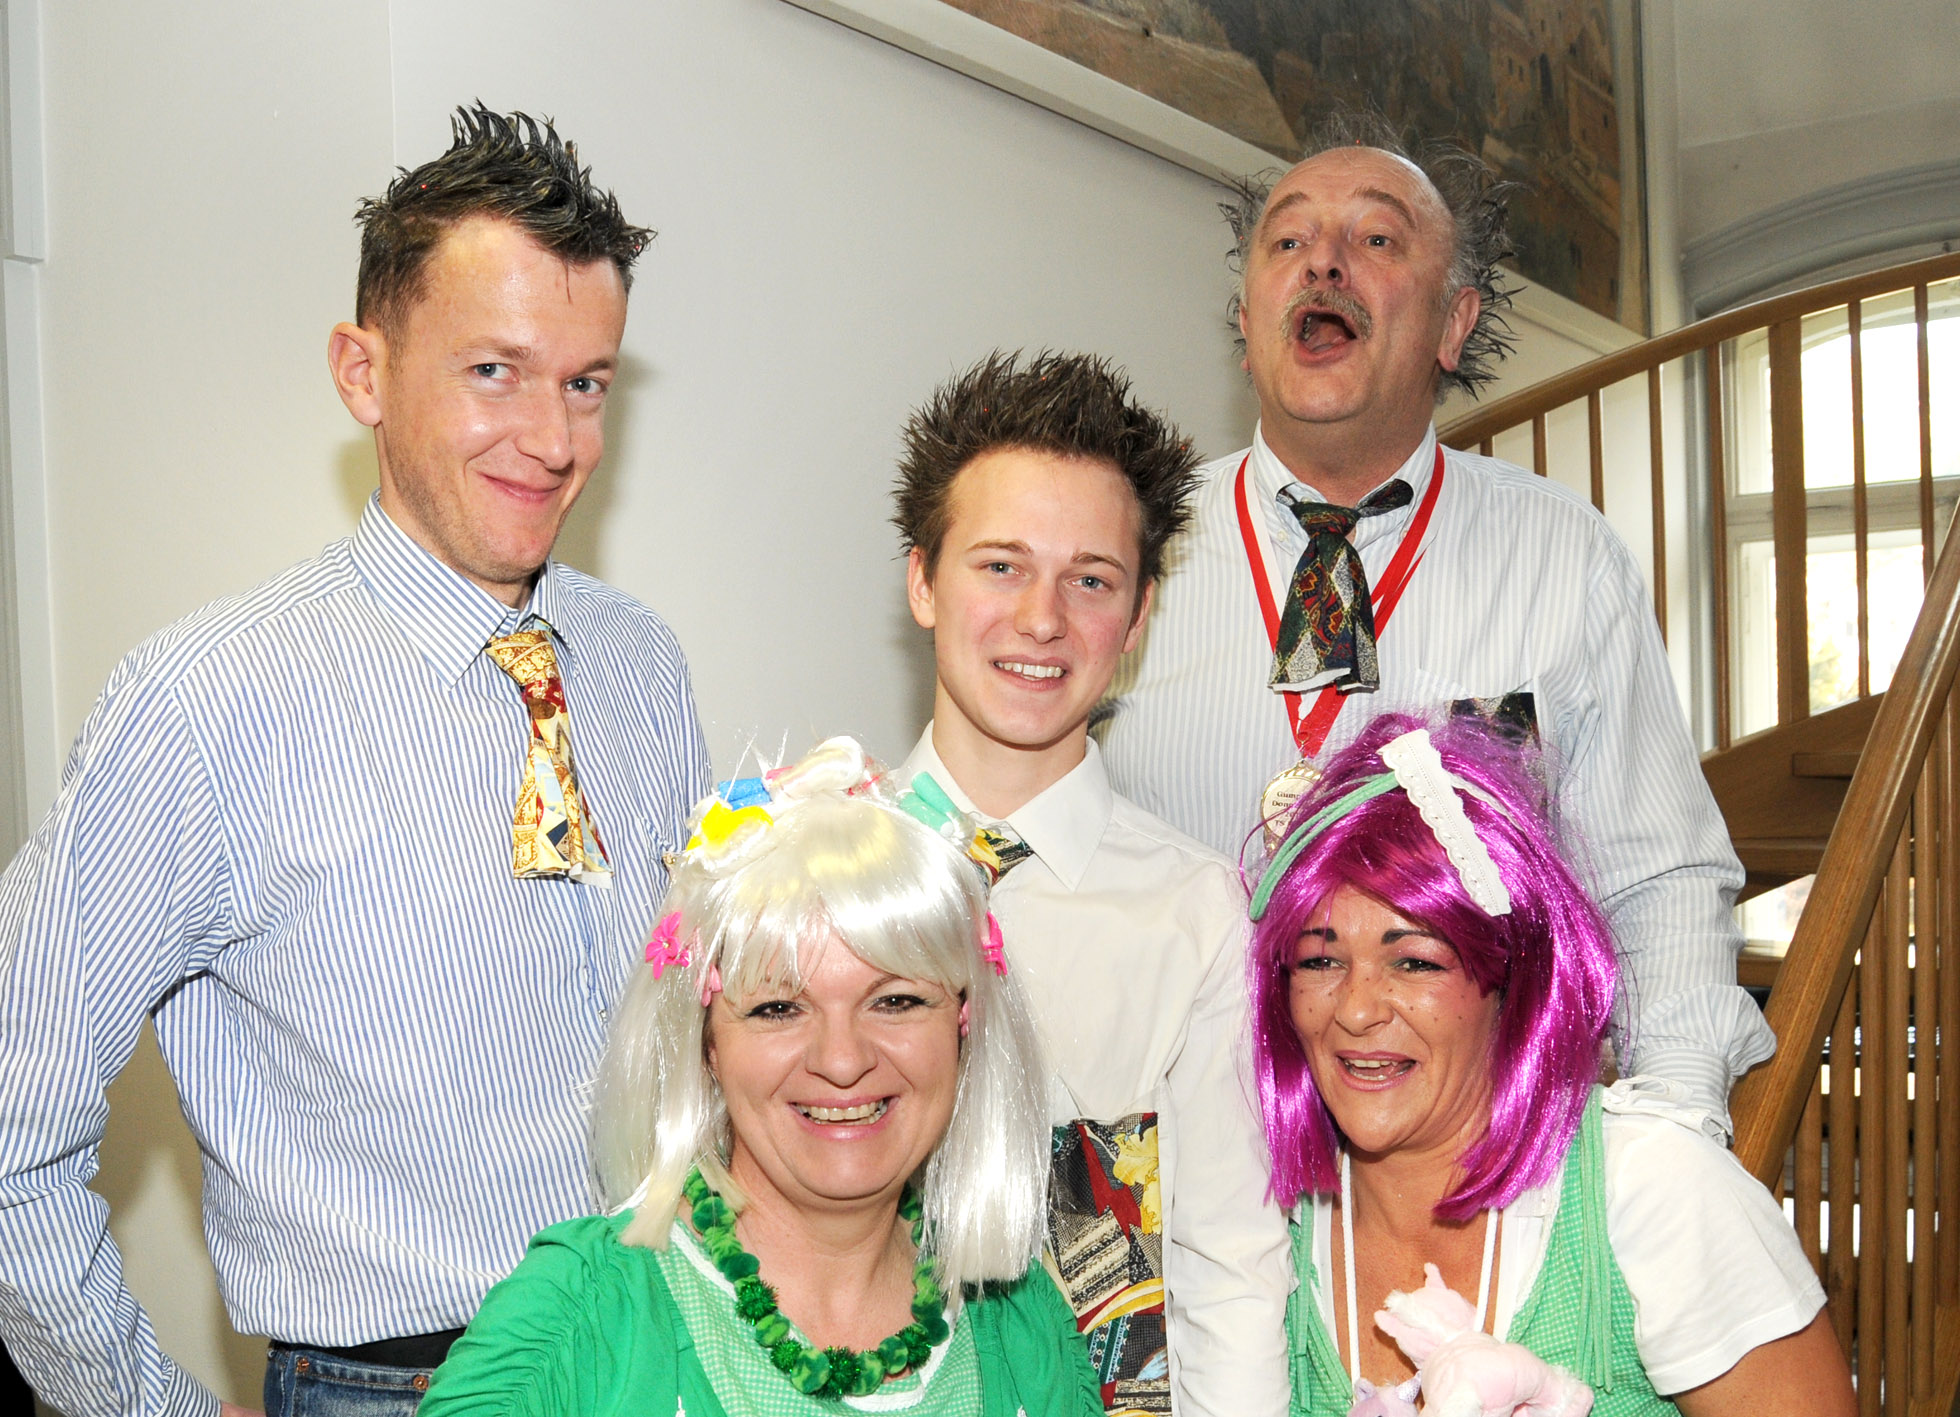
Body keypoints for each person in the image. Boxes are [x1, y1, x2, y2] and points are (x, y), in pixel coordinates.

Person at [0, 106, 709, 1417]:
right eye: (493, 370)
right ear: (361, 372)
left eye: (585, 383)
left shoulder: (640, 663)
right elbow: (8, 1132)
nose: (552, 438)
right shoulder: (207, 704)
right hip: (399, 1389)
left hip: (671, 1353)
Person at [1096, 114, 1773, 1138]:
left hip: (1463, 1159)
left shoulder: (1564, 557)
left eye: (1375, 238)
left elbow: (1658, 881)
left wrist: (1677, 1127)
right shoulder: (1128, 545)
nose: (1323, 261)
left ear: (1453, 324)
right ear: (1247, 318)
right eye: (1288, 239)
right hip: (1178, 1149)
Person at [418, 735, 1103, 1415]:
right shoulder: (580, 1316)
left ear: (964, 1021)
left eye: (896, 1001)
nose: (842, 1060)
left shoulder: (1021, 1323)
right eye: (779, 1008)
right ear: (707, 1044)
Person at [1247, 713, 1854, 1416]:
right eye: (1320, 960)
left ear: (1514, 980)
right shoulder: (1254, 1213)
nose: (1355, 1010)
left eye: (1414, 961)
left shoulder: (1652, 1186)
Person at [891, 351, 1291, 1417]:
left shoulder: (1196, 913)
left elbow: (1230, 1266)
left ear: (1140, 612)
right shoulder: (807, 865)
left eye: (1092, 580)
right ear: (922, 580)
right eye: (1000, 565)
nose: (1042, 618)